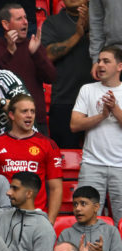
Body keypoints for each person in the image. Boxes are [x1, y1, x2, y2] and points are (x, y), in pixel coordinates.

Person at [0, 95, 64, 222]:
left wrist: (50, 222)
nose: (30, 115)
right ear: (11, 115)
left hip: (36, 218)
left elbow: (56, 188)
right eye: (24, 111)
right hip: (4, 218)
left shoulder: (48, 144)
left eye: (32, 111)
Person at [0, 4, 57, 131]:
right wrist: (8, 53)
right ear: (5, 24)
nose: (26, 22)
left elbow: (51, 77)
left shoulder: (33, 45)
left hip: (34, 120)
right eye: (19, 19)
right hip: (4, 122)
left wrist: (36, 53)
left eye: (26, 17)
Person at [71, 47, 122, 214]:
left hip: (120, 166)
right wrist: (102, 116)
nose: (100, 65)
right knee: (87, 218)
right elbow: (74, 125)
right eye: (99, 60)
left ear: (119, 66)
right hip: (92, 164)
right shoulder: (87, 89)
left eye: (106, 61)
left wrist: (114, 109)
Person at [40, 0, 92, 149]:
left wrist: (91, 29)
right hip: (64, 99)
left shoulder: (101, 20)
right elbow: (48, 54)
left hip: (100, 101)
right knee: (63, 156)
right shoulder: (53, 22)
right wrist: (77, 35)